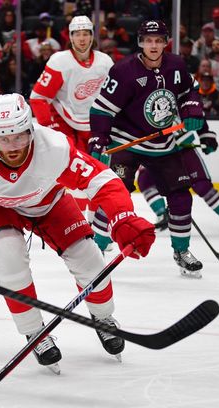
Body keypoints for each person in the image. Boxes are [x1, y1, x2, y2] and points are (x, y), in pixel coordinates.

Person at [0, 93, 155, 372]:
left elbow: (102, 180)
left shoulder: (53, 147)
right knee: (8, 256)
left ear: (31, 130)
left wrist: (123, 219)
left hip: (46, 201)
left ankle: (103, 318)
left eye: (18, 136)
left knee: (88, 256)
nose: (12, 147)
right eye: (3, 139)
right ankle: (34, 331)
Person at [88, 20, 212, 278]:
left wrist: (192, 110)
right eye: (148, 40)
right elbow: (101, 108)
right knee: (115, 193)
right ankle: (96, 249)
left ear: (166, 41)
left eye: (158, 40)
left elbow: (190, 90)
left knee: (180, 195)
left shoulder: (176, 65)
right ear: (140, 42)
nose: (153, 45)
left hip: (164, 143)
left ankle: (181, 250)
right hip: (126, 141)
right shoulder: (123, 71)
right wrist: (99, 138)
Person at [29, 15, 114, 214]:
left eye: (86, 34)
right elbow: (38, 97)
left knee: (98, 175)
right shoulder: (60, 61)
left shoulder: (105, 62)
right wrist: (50, 129)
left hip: (93, 123)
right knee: (76, 173)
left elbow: (114, 96)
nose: (82, 39)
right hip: (64, 121)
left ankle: (94, 224)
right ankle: (79, 223)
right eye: (77, 34)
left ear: (92, 37)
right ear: (70, 37)